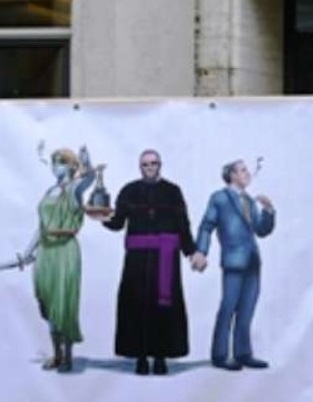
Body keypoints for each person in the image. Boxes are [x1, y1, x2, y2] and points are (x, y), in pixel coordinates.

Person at [101, 149, 205, 375]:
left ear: (160, 165)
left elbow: (183, 225)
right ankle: (140, 357)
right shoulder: (129, 191)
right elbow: (118, 222)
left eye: (153, 163)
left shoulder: (173, 191)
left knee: (163, 308)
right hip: (137, 261)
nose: (150, 167)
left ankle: (160, 357)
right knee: (136, 305)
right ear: (140, 167)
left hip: (165, 259)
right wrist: (102, 217)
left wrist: (192, 252)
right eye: (145, 164)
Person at [22, 145, 100, 373]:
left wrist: (88, 162)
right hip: (46, 251)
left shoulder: (74, 188)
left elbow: (91, 178)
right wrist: (27, 252)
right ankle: (56, 353)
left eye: (62, 161)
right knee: (46, 303)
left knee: (63, 304)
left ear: (71, 166)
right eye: (55, 161)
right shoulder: (49, 192)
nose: (57, 166)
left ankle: (67, 356)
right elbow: (41, 227)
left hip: (65, 250)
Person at [194, 159, 276, 370]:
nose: (247, 174)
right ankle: (220, 355)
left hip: (253, 262)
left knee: (247, 309)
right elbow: (206, 226)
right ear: (231, 175)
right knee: (228, 307)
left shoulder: (249, 200)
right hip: (233, 261)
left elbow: (261, 230)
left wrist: (268, 211)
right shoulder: (220, 198)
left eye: (247, 170)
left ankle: (243, 353)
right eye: (242, 170)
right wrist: (201, 251)